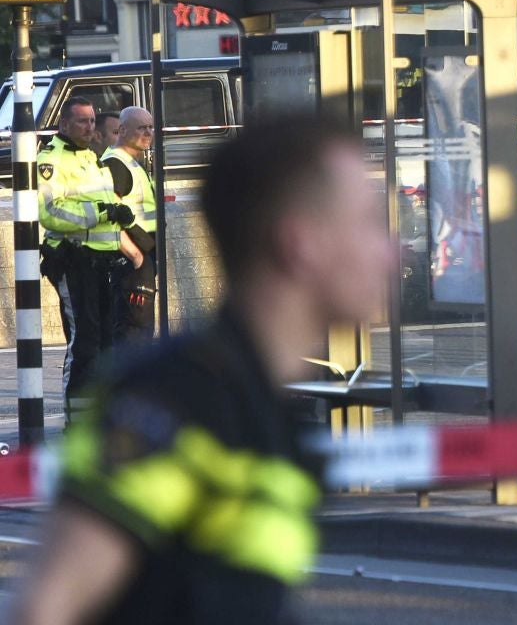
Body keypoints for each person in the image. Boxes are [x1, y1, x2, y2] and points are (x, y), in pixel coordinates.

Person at [14, 116, 395, 625]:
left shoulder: (259, 400)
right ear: (301, 241)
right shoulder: (175, 396)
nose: (390, 252)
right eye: (368, 223)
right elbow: (48, 607)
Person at [37, 97, 136, 420]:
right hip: (74, 261)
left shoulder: (91, 158)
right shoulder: (52, 160)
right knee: (84, 341)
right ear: (64, 124)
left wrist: (118, 213)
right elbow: (50, 212)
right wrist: (101, 212)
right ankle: (76, 420)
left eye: (92, 121)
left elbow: (100, 205)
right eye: (82, 121)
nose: (90, 127)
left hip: (103, 262)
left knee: (107, 341)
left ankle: (101, 415)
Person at [102, 106, 159, 343]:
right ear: (122, 130)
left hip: (142, 256)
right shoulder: (116, 165)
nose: (148, 133)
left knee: (141, 330)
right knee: (133, 331)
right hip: (131, 263)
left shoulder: (132, 162)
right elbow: (109, 215)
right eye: (141, 128)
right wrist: (135, 255)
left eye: (150, 127)